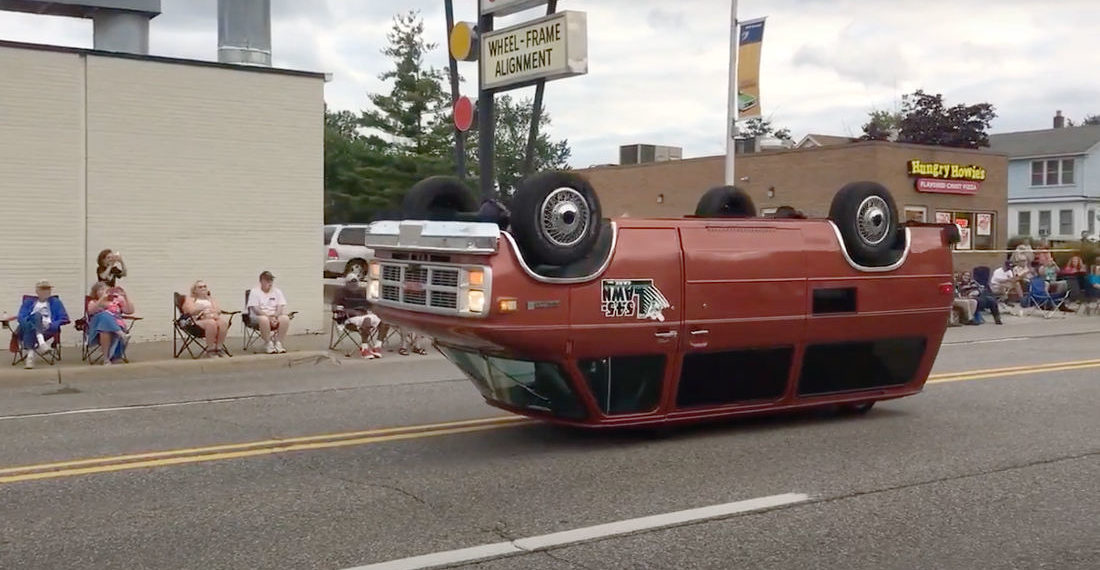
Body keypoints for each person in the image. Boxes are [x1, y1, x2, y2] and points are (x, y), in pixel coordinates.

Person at [15, 280, 70, 369]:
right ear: (37, 291)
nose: (46, 291)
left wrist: (51, 324)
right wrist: (32, 323)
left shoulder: (55, 302)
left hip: (47, 329)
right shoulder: (28, 302)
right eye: (43, 289)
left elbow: (64, 318)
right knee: (36, 316)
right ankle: (42, 343)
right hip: (27, 326)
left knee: (31, 328)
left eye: (48, 289)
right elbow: (21, 317)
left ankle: (30, 355)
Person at [333, 273, 382, 358]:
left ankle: (377, 346)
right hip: (349, 318)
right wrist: (351, 311)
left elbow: (370, 305)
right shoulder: (340, 292)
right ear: (346, 283)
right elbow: (334, 308)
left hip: (364, 314)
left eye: (355, 282)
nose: (353, 284)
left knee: (385, 320)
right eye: (351, 282)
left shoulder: (361, 292)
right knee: (367, 320)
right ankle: (364, 349)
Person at [86, 280, 134, 365]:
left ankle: (106, 359)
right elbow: (91, 312)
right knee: (104, 317)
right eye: (100, 289)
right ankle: (122, 335)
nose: (104, 291)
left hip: (115, 325)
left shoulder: (117, 301)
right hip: (97, 329)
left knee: (104, 329)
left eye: (105, 289)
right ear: (95, 292)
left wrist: (125, 296)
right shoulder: (93, 302)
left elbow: (130, 311)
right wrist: (102, 299)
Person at [183, 280, 230, 357]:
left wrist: (211, 312)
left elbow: (218, 310)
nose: (203, 288)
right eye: (200, 287)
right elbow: (188, 311)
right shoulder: (191, 299)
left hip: (212, 317)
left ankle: (219, 348)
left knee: (223, 323)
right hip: (196, 321)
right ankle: (210, 349)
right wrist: (200, 309)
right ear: (195, 290)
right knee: (211, 323)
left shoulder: (210, 299)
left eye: (205, 286)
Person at [247, 271, 290, 354]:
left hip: (274, 315)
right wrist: (269, 317)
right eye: (267, 280)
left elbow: (280, 307)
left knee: (285, 318)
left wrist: (275, 316)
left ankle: (278, 343)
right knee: (264, 319)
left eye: (271, 280)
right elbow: (256, 309)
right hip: (259, 316)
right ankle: (268, 343)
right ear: (261, 281)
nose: (269, 282)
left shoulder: (277, 291)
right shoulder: (255, 292)